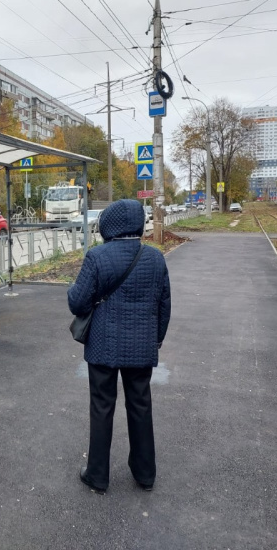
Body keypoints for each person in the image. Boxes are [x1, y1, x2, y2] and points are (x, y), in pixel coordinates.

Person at [67, 199, 171, 494]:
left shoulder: (97, 257)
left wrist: (73, 290)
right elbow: (164, 305)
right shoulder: (155, 258)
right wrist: (156, 338)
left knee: (102, 407)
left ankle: (97, 475)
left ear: (108, 226)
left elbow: (77, 303)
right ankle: (145, 474)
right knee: (140, 405)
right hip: (142, 347)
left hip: (103, 345)